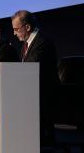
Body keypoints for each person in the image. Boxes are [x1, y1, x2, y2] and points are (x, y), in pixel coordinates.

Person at [11, 10, 59, 146]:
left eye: (16, 29)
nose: (14, 33)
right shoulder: (25, 45)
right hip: (32, 94)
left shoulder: (42, 42)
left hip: (44, 97)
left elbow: (30, 70)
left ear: (27, 27)